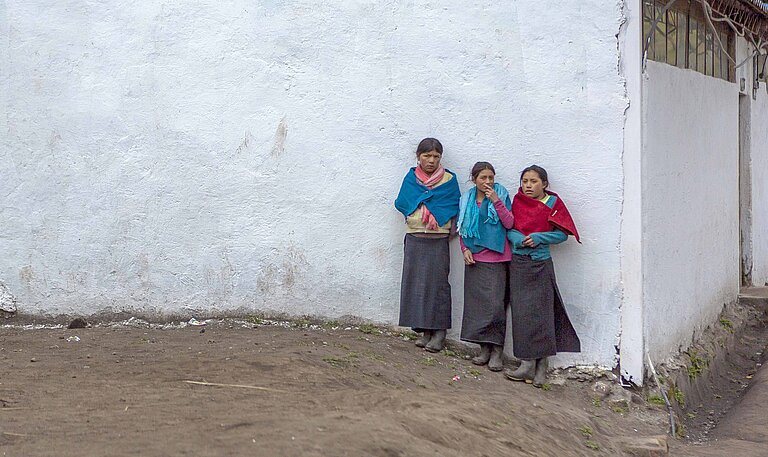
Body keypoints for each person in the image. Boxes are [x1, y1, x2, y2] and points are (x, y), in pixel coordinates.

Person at [504, 165, 581, 387]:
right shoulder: (516, 202)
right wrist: (517, 238)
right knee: (522, 313)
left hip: (540, 265)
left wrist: (540, 237)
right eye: (525, 181)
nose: (528, 186)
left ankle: (542, 365)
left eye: (533, 181)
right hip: (519, 264)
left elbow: (562, 235)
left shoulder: (553, 204)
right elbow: (508, 228)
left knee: (542, 313)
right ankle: (526, 363)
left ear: (544, 184)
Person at [394, 138, 461, 353]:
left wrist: (428, 205)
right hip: (415, 236)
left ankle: (439, 332)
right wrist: (421, 206)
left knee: (438, 285)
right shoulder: (411, 178)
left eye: (436, 157)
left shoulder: (449, 180)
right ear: (418, 156)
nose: (431, 161)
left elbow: (452, 205)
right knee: (417, 283)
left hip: (437, 239)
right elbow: (403, 202)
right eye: (427, 156)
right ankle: (424, 330)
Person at [457, 162, 513, 372]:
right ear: (474, 179)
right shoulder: (466, 199)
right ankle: (484, 350)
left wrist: (496, 201)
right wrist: (464, 250)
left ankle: (497, 351)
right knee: (478, 306)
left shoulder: (501, 194)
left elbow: (509, 223)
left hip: (497, 258)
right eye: (483, 178)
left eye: (491, 177)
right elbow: (462, 227)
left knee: (496, 306)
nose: (488, 182)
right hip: (475, 259)